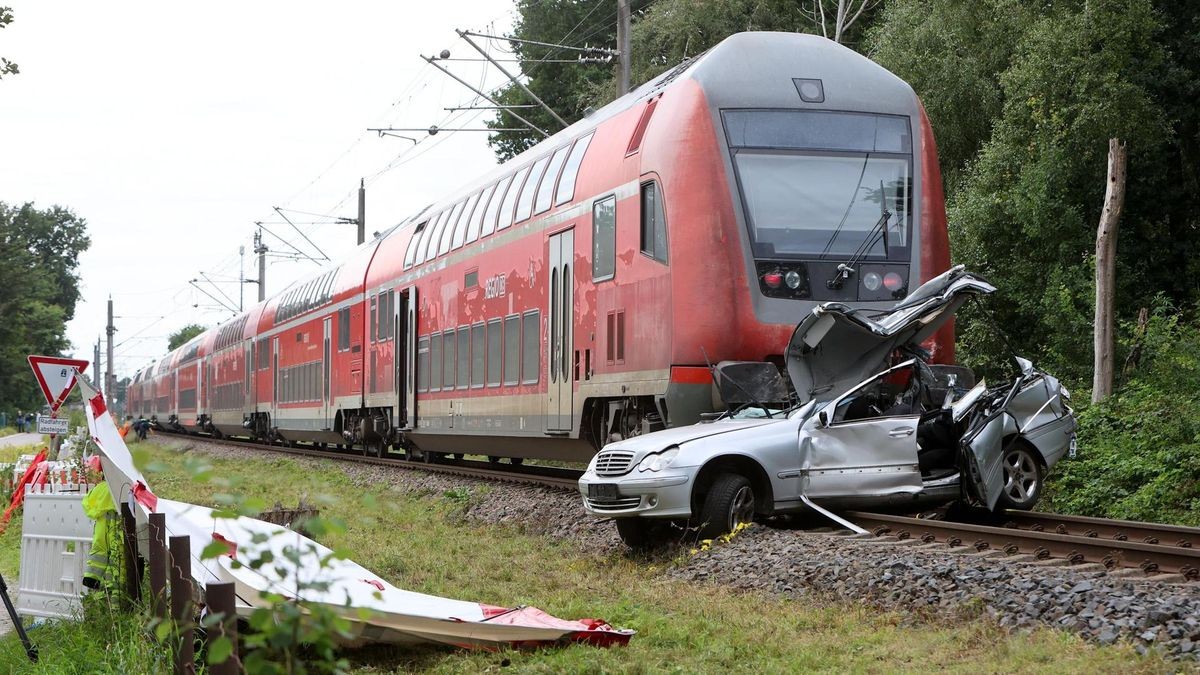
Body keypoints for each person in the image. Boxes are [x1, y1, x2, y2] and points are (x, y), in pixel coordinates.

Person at [81, 455, 124, 592]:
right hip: (117, 527)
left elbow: (87, 503)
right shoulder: (120, 489)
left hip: (101, 529)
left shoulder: (99, 490)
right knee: (116, 555)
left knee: (99, 551)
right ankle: (113, 589)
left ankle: (91, 577)